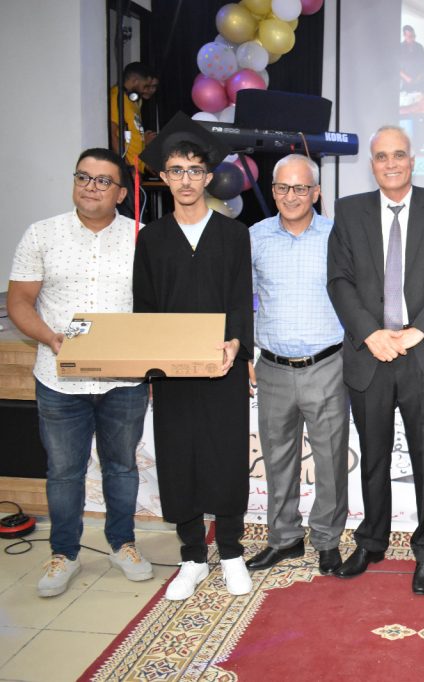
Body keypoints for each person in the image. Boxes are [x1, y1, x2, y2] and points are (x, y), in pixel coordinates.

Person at [7, 148, 152, 597]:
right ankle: (64, 553)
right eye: (83, 177)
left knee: (121, 468)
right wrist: (50, 338)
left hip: (123, 382)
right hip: (59, 378)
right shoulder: (42, 234)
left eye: (103, 180)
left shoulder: (143, 238)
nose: (91, 187)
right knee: (64, 472)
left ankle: (123, 545)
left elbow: (157, 307)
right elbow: (19, 302)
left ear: (121, 193)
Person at [328, 126, 424, 595]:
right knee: (373, 457)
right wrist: (370, 334)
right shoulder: (349, 211)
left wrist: (419, 330)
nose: (391, 164)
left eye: (398, 155)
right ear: (372, 164)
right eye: (381, 156)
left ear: (412, 159)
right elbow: (339, 281)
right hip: (372, 353)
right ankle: (372, 542)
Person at [134, 113, 254, 600]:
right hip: (171, 372)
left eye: (195, 170)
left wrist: (237, 343)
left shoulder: (233, 234)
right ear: (164, 176)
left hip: (223, 367)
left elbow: (241, 300)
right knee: (178, 457)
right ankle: (191, 557)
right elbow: (144, 307)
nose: (186, 180)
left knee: (226, 456)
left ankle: (231, 551)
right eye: (176, 170)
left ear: (209, 177)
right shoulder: (152, 239)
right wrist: (149, 366)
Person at [245, 154, 349, 576]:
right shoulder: (254, 237)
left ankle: (326, 539)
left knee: (330, 460)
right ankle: (284, 538)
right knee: (277, 459)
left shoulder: (337, 236)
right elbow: (240, 299)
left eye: (301, 188)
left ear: (316, 192)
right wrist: (244, 352)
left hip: (327, 365)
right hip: (271, 367)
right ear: (273, 192)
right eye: (283, 188)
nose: (292, 196)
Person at [109, 62, 157, 172]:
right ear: (135, 81)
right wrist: (126, 167)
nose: (145, 90)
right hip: (128, 169)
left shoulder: (133, 102)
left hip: (136, 169)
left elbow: (135, 139)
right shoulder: (117, 97)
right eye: (145, 86)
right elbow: (113, 134)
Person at [399, 25, 424, 92]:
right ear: (404, 36)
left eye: (414, 36)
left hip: (419, 82)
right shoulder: (399, 48)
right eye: (410, 36)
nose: (412, 38)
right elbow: (395, 67)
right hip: (405, 83)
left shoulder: (419, 47)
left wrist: (420, 75)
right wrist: (406, 78)